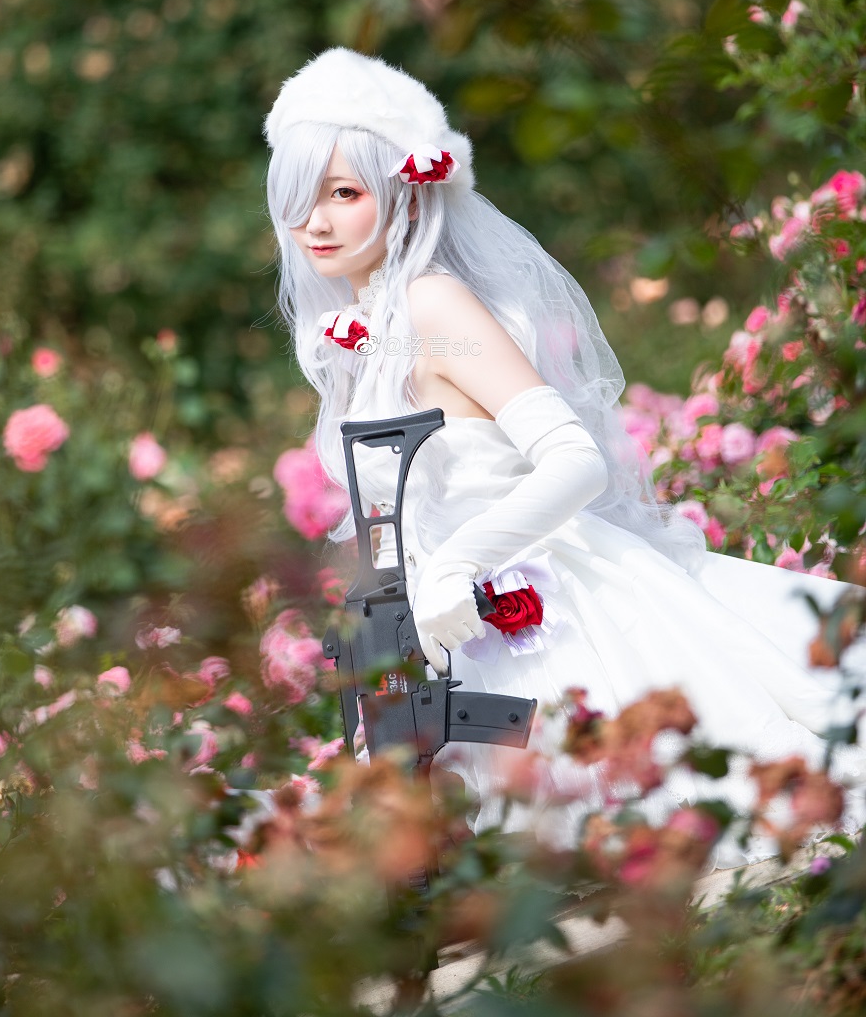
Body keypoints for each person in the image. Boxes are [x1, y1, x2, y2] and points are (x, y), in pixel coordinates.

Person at [264, 46, 866, 867]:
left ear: (404, 192)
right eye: (301, 197)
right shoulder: (366, 330)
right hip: (454, 628)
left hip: (538, 595)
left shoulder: (432, 304)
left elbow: (575, 459)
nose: (315, 223)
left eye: (344, 193)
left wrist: (461, 562)